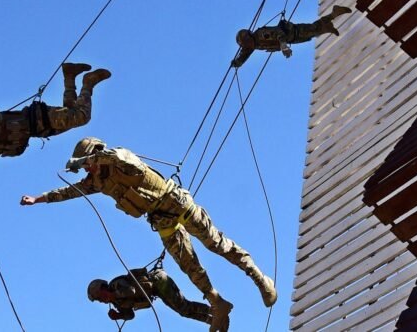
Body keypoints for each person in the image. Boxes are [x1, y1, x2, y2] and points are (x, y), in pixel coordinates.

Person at [20, 137, 277, 332]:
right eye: (86, 166)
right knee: (190, 266)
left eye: (89, 163)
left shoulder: (121, 159)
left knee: (217, 245)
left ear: (97, 155)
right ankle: (217, 302)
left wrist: (95, 158)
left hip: (176, 203)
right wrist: (38, 199)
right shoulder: (96, 182)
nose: (88, 169)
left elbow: (121, 157)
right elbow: (68, 192)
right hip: (161, 219)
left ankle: (259, 279)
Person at [0, 63, 110, 195]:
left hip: (38, 117)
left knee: (81, 117)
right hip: (39, 129)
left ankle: (88, 82)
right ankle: (69, 76)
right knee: (72, 116)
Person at [231, 5, 352, 68]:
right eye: (246, 46)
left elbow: (279, 33)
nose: (248, 47)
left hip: (293, 32)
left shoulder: (261, 35)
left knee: (314, 29)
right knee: (313, 34)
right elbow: (244, 54)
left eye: (247, 44)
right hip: (292, 38)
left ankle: (333, 14)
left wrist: (284, 47)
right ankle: (328, 26)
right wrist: (238, 62)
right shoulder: (253, 45)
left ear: (249, 37)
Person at [87, 267, 212, 326]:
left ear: (102, 289)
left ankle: (215, 311)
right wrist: (119, 316)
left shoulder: (116, 285)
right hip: (157, 290)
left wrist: (113, 295)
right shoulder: (117, 303)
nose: (101, 301)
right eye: (99, 300)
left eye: (99, 297)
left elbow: (132, 290)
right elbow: (130, 315)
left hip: (158, 281)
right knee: (184, 311)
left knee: (184, 307)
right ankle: (214, 320)